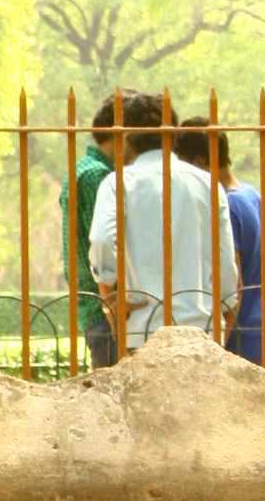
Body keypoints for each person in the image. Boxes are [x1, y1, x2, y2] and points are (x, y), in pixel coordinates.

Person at [87, 91, 238, 348]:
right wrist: (223, 315)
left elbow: (102, 240)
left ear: (127, 136)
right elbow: (225, 264)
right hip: (201, 327)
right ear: (173, 133)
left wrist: (109, 298)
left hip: (143, 327)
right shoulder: (207, 184)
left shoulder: (117, 184)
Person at [174, 117, 265, 365]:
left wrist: (218, 344)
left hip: (238, 341)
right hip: (262, 333)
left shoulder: (227, 206)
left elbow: (233, 281)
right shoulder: (251, 195)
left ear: (201, 160)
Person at [60, 93, 122, 366]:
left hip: (95, 306)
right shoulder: (99, 175)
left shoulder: (85, 169)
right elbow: (103, 243)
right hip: (105, 308)